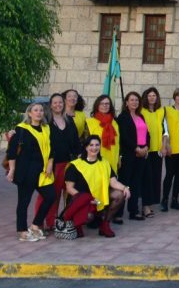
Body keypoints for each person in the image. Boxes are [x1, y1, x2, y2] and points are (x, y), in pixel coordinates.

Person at [61, 135, 130, 238]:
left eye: (97, 145)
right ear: (86, 147)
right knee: (88, 217)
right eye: (91, 145)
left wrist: (125, 188)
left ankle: (105, 224)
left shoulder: (104, 163)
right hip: (82, 200)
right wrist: (87, 199)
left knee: (119, 195)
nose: (94, 148)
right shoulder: (75, 165)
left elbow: (113, 183)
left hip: (100, 199)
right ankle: (78, 226)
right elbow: (69, 188)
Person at [7, 102, 55, 242]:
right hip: (26, 171)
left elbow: (52, 148)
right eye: (35, 110)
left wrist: (50, 163)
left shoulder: (46, 128)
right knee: (24, 201)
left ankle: (35, 225)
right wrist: (12, 170)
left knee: (51, 196)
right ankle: (22, 231)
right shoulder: (21, 129)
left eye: (41, 110)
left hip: (43, 172)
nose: (39, 113)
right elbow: (11, 152)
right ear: (29, 113)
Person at [39, 92, 81, 231]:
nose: (58, 105)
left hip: (68, 163)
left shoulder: (69, 120)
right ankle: (46, 222)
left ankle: (66, 221)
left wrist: (79, 155)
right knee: (51, 195)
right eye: (55, 102)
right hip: (52, 164)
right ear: (50, 105)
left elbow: (75, 140)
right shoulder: (46, 122)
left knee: (69, 194)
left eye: (60, 102)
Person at [115, 91, 150, 221]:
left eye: (136, 100)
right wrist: (135, 148)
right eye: (132, 100)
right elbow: (124, 136)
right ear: (126, 102)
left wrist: (146, 147)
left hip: (141, 154)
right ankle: (118, 214)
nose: (134, 102)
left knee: (136, 183)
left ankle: (133, 211)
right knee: (125, 183)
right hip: (129, 154)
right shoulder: (122, 117)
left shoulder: (141, 116)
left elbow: (147, 134)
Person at [161, 87, 179, 212]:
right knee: (169, 174)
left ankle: (174, 199)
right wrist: (165, 144)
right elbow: (164, 129)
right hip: (171, 148)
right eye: (178, 95)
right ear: (174, 97)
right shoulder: (167, 110)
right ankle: (165, 200)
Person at [139, 87, 166, 217]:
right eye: (149, 95)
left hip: (158, 150)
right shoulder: (141, 111)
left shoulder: (161, 111)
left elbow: (165, 131)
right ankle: (145, 206)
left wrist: (164, 146)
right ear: (145, 97)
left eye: (154, 95)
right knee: (146, 178)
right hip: (146, 150)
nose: (152, 98)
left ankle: (151, 202)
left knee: (156, 178)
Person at [85, 95, 120, 176]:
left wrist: (118, 158)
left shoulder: (115, 123)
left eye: (107, 104)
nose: (105, 106)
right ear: (97, 106)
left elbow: (117, 143)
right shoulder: (89, 122)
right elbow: (85, 143)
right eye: (102, 104)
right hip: (95, 160)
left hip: (112, 160)